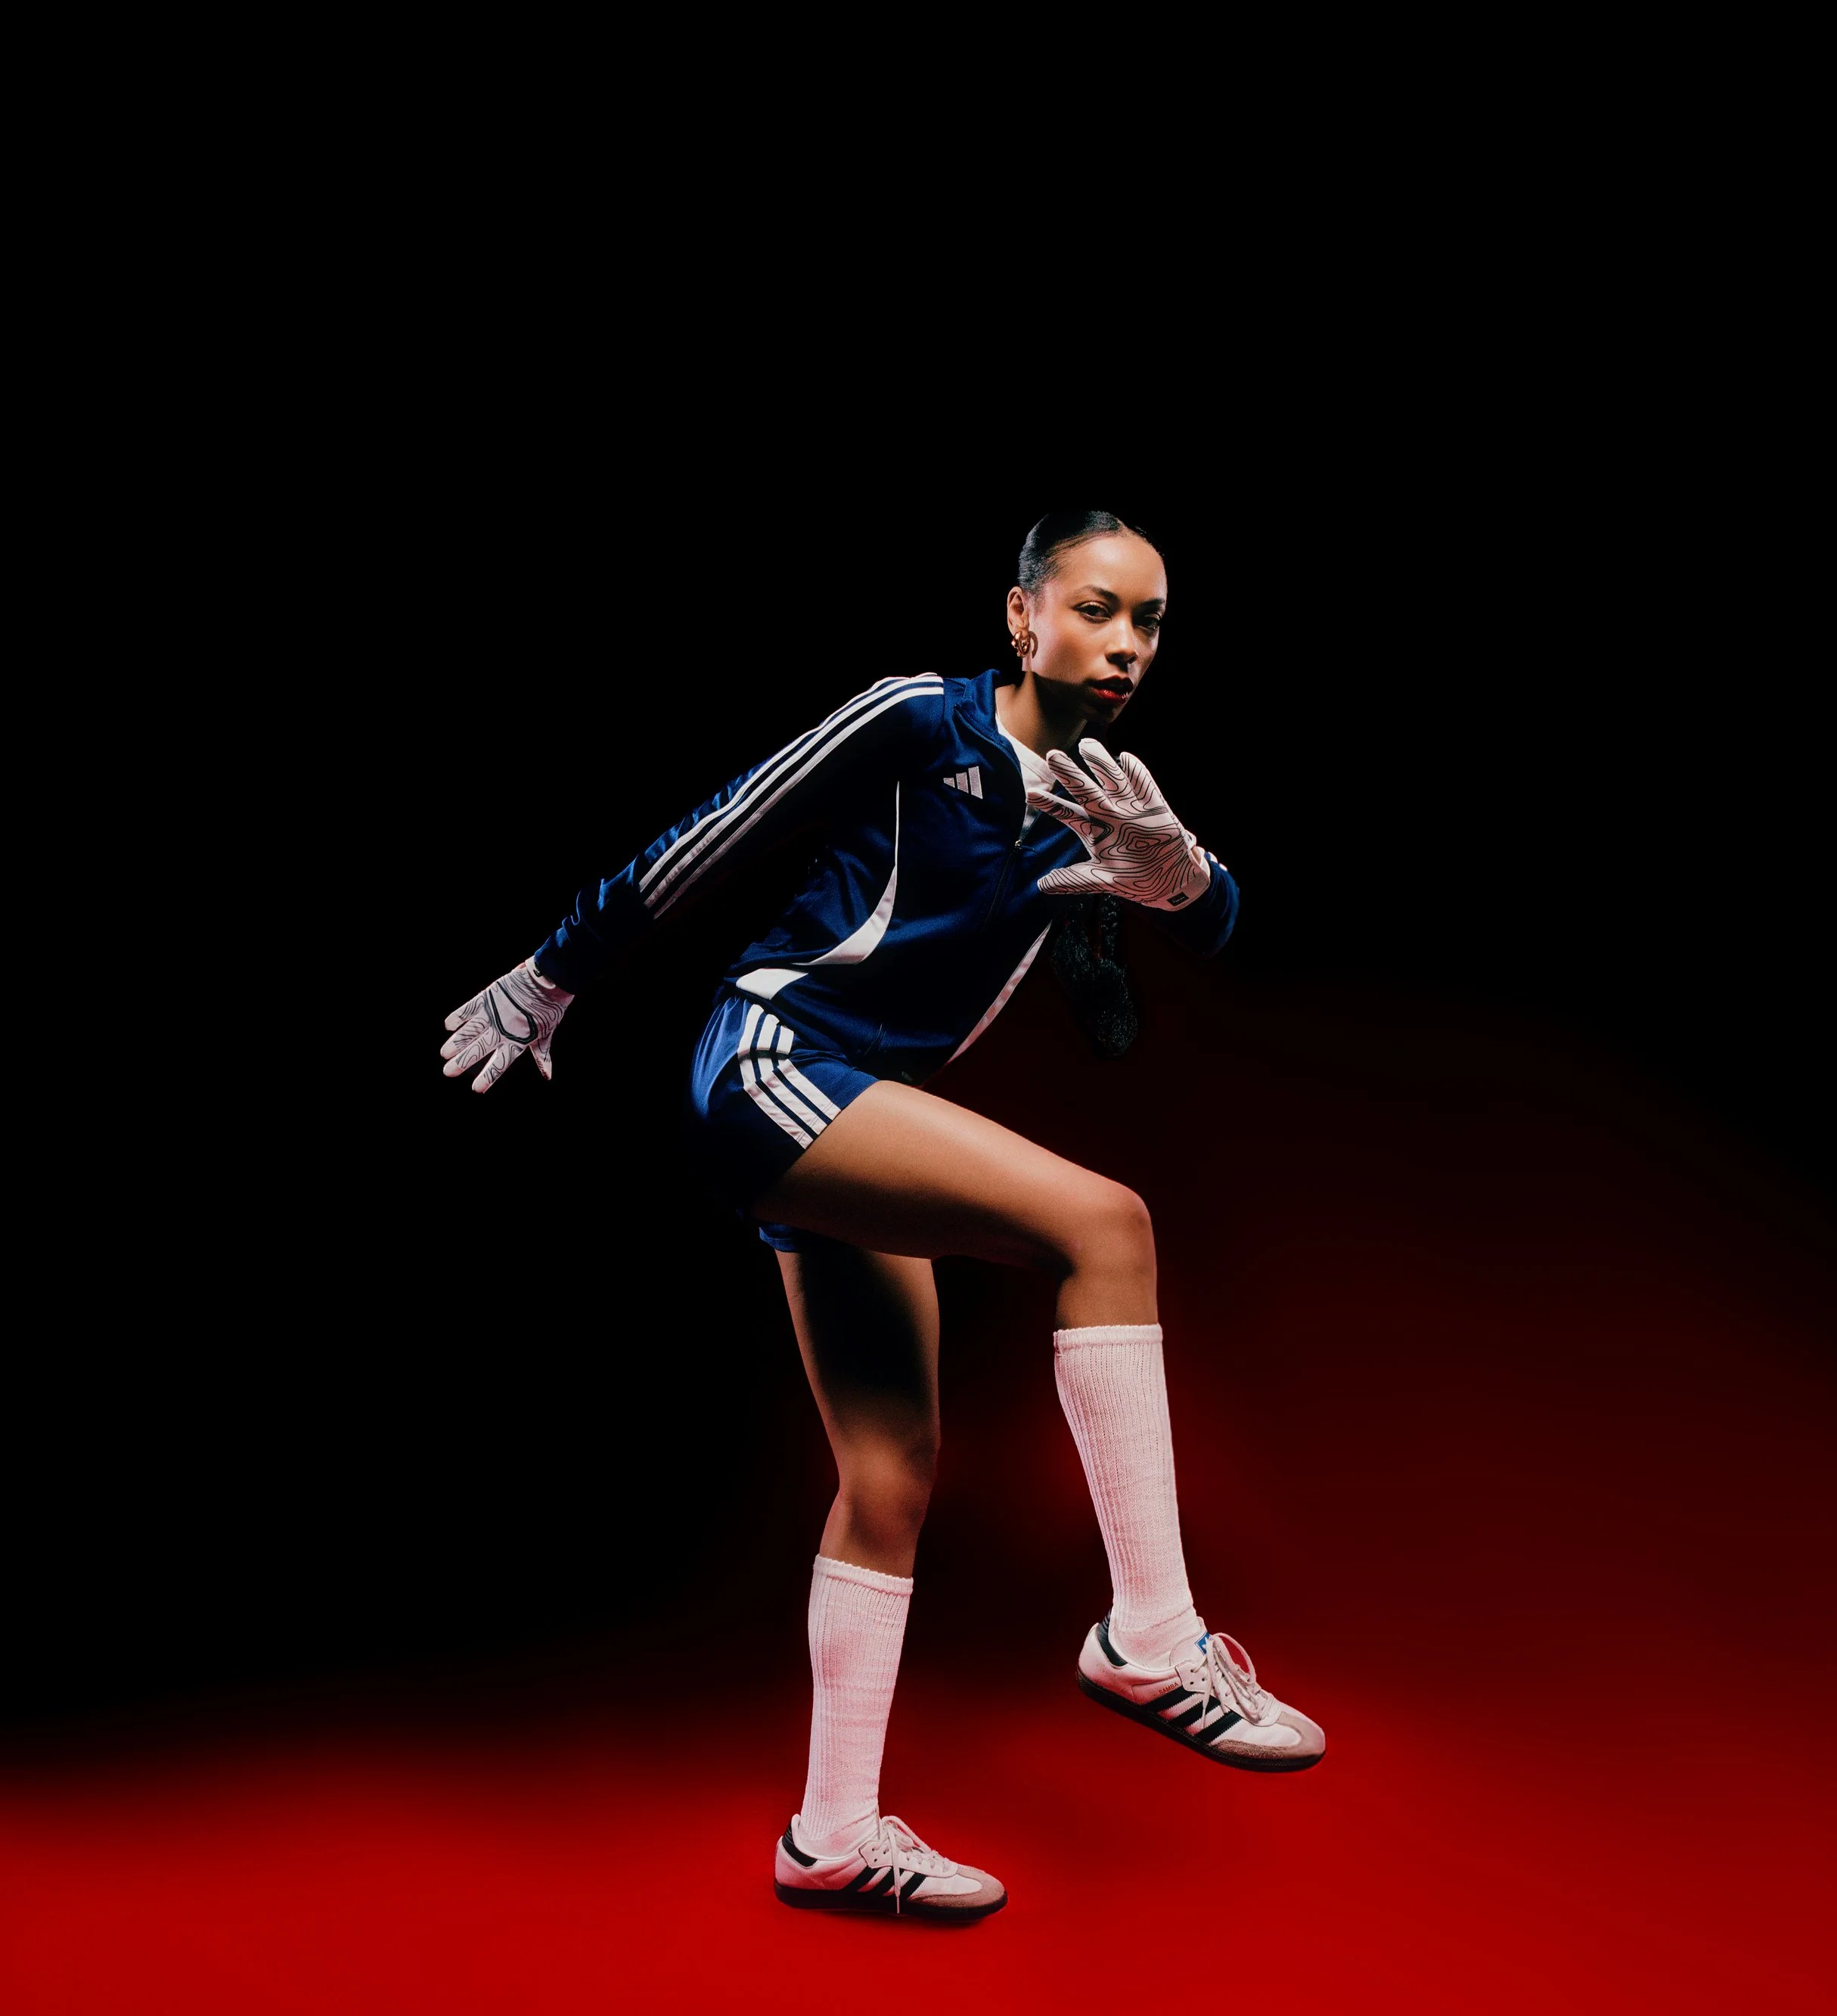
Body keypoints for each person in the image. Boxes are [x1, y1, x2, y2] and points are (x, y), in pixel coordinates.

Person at [441, 509, 1325, 1927]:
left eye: (1152, 623)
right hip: (775, 1066)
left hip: (862, 1115)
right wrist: (553, 975)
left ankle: (833, 1834)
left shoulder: (1101, 794)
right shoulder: (922, 719)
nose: (1126, 646)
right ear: (1021, 616)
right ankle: (1151, 1640)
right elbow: (719, 826)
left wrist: (1185, 880)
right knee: (1109, 1226)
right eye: (1097, 609)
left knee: (894, 1471)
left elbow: (1226, 927)